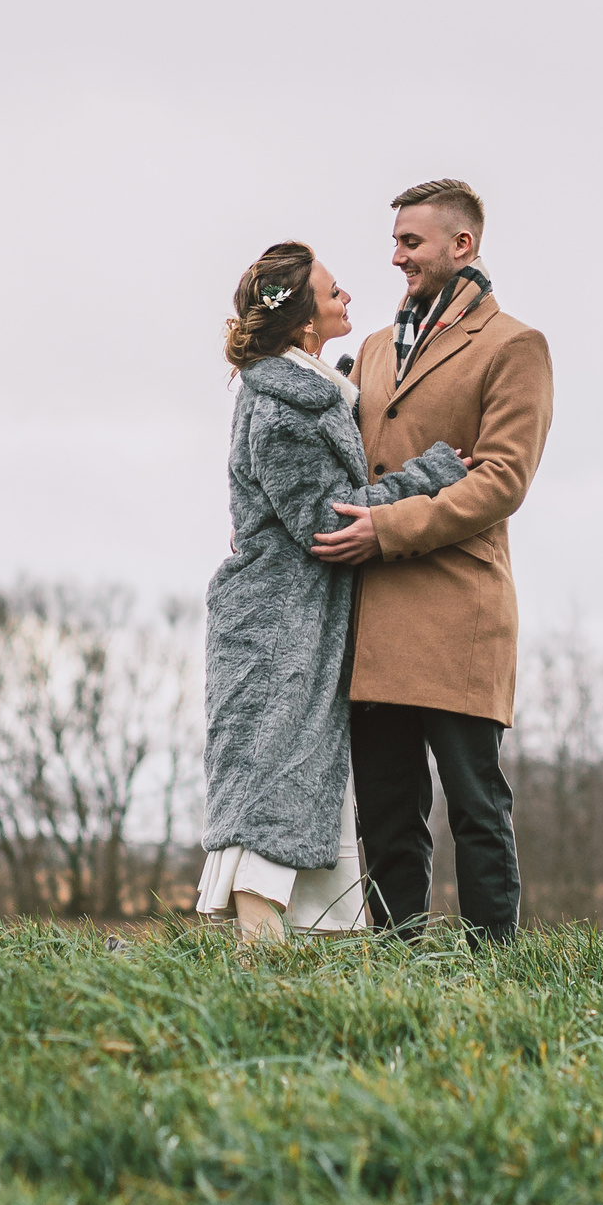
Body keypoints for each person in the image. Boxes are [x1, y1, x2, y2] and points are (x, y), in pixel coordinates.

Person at [197, 240, 466, 943]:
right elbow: (324, 519)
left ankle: (291, 953)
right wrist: (427, 473)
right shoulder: (283, 404)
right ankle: (261, 957)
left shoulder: (311, 386)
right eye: (334, 290)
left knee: (300, 771)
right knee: (271, 772)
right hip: (274, 621)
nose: (348, 297)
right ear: (304, 317)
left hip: (302, 616)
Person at [312, 180, 553, 944]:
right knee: (386, 805)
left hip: (460, 611)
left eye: (411, 242)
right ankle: (399, 960)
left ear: (462, 244)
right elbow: (335, 460)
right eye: (394, 242)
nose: (396, 256)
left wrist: (387, 528)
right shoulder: (374, 349)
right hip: (374, 616)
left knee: (476, 802)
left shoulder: (516, 346)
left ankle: (496, 964)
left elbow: (502, 479)